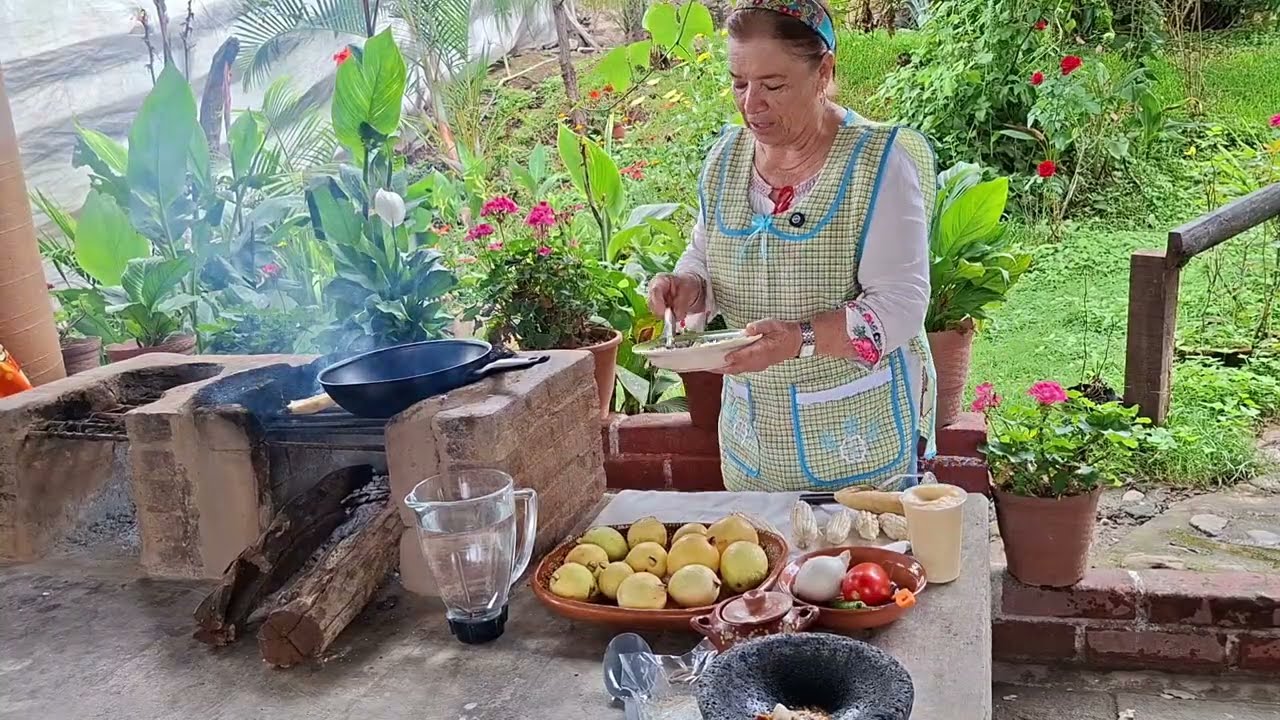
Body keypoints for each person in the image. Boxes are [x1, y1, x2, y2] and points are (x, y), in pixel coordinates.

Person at [647, 0, 937, 493]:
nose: (751, 104)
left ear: (823, 71)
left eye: (773, 85)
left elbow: (902, 304)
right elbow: (705, 252)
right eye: (739, 83)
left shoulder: (876, 163)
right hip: (753, 443)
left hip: (857, 442)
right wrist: (688, 287)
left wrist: (801, 339)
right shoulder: (724, 160)